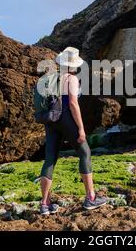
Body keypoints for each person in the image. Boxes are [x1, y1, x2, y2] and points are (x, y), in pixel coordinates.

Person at [39, 47, 107, 215]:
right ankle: (91, 198)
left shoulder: (49, 78)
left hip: (51, 120)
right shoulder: (71, 79)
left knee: (49, 159)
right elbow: (72, 104)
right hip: (67, 119)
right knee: (85, 152)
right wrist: (81, 129)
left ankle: (45, 204)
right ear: (73, 65)